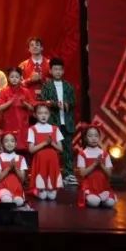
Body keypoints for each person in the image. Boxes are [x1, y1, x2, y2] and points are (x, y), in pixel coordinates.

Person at [38, 58, 77, 186]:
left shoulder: (68, 86)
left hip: (67, 122)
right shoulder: (47, 86)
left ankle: (69, 174)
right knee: (52, 149)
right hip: (53, 122)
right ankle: (52, 173)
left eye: (60, 69)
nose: (58, 72)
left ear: (63, 71)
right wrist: (54, 104)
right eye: (55, 69)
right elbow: (43, 101)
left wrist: (66, 104)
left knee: (67, 149)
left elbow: (73, 101)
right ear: (50, 71)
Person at [75, 122, 116, 209]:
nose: (93, 138)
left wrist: (101, 165)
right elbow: (82, 173)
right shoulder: (82, 154)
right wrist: (94, 164)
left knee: (110, 203)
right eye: (90, 136)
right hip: (89, 187)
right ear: (85, 138)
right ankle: (90, 198)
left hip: (103, 187)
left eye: (96, 136)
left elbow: (109, 174)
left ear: (99, 138)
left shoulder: (105, 154)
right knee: (95, 202)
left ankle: (103, 198)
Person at [27, 101, 63, 200]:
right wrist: (44, 143)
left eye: (46, 113)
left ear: (49, 114)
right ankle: (39, 189)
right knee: (42, 196)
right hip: (40, 161)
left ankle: (51, 187)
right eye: (40, 113)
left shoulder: (55, 129)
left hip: (52, 162)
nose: (43, 116)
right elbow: (31, 150)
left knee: (51, 197)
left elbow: (61, 149)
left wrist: (52, 143)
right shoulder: (32, 129)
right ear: (35, 115)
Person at [0, 68, 35, 152]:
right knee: (9, 146)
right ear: (8, 78)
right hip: (9, 123)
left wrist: (25, 104)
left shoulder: (26, 91)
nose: (14, 79)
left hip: (22, 124)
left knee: (22, 147)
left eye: (17, 77)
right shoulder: (4, 91)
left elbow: (32, 108)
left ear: (21, 78)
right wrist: (9, 102)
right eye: (12, 77)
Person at [0, 131, 28, 207]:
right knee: (6, 200)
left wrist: (15, 168)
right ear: (2, 144)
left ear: (16, 144)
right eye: (6, 141)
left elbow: (22, 179)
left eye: (12, 141)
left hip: (16, 188)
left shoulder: (21, 158)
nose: (9, 143)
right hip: (3, 186)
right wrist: (9, 168)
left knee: (18, 202)